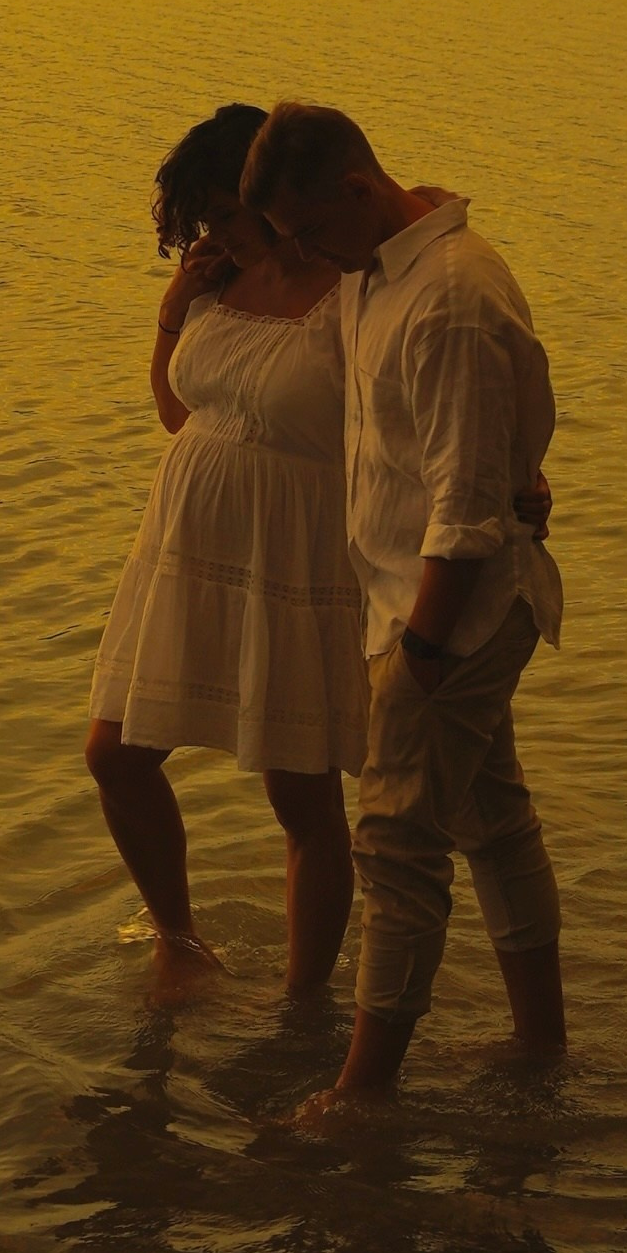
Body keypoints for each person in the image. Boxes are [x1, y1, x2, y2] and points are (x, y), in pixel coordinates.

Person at [239, 101, 565, 1108]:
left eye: (309, 233)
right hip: (405, 601)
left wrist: (421, 654)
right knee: (490, 820)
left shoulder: (450, 296)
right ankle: (540, 1049)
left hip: (448, 615)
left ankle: (360, 1094)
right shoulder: (375, 271)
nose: (307, 257)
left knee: (393, 844)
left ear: (356, 187)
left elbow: (466, 510)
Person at [85, 104, 366, 1001]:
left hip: (294, 556)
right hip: (186, 548)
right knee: (115, 755)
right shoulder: (212, 283)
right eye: (202, 223)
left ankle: (304, 1000)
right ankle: (180, 941)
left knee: (302, 794)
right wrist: (173, 312)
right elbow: (183, 416)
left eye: (229, 217)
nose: (216, 238)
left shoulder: (349, 292)